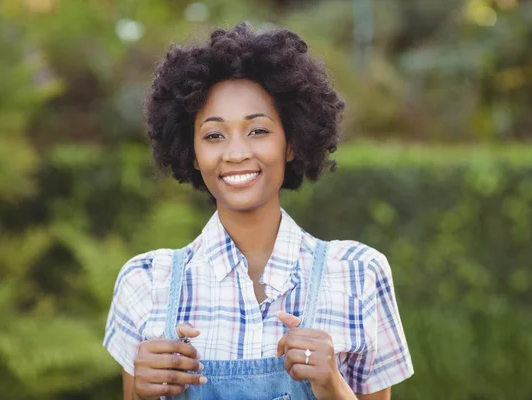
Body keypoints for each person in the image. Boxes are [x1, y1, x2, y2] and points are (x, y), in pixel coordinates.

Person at [103, 23, 413, 400]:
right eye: (214, 135)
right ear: (194, 154)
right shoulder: (145, 282)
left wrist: (332, 384)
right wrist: (140, 394)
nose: (235, 153)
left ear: (292, 143)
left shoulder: (359, 273)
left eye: (258, 131)